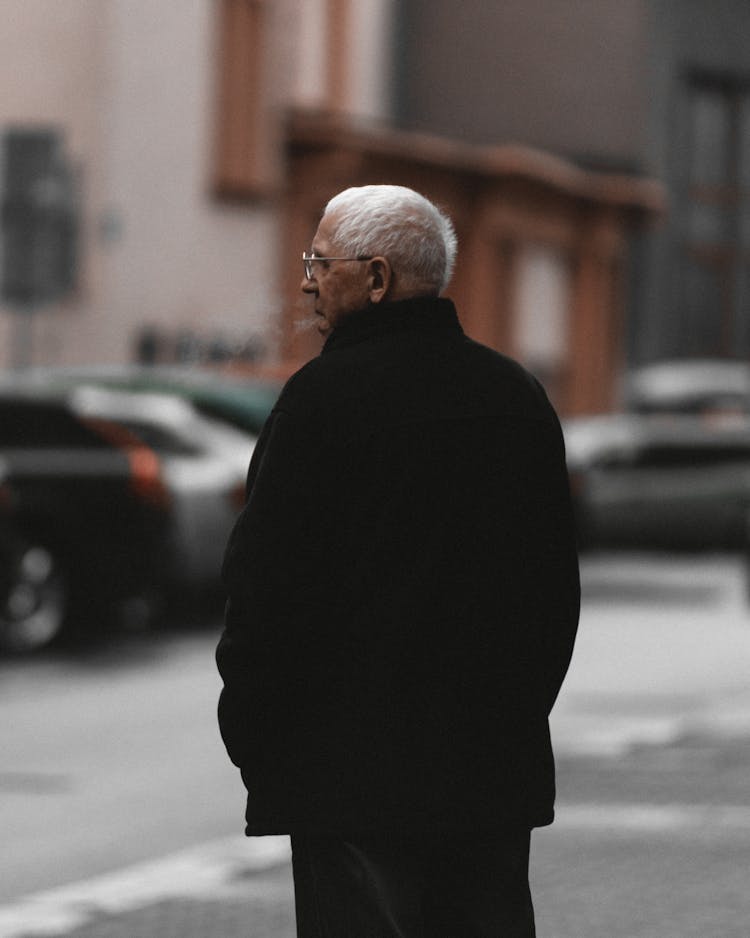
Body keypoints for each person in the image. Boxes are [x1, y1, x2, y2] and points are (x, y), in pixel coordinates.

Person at [216, 184, 580, 937]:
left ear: (376, 280)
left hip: (349, 781)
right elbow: (552, 597)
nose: (308, 279)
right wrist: (513, 719)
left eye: (320, 261)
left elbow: (265, 596)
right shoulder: (515, 398)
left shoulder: (318, 404)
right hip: (489, 776)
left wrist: (257, 741)